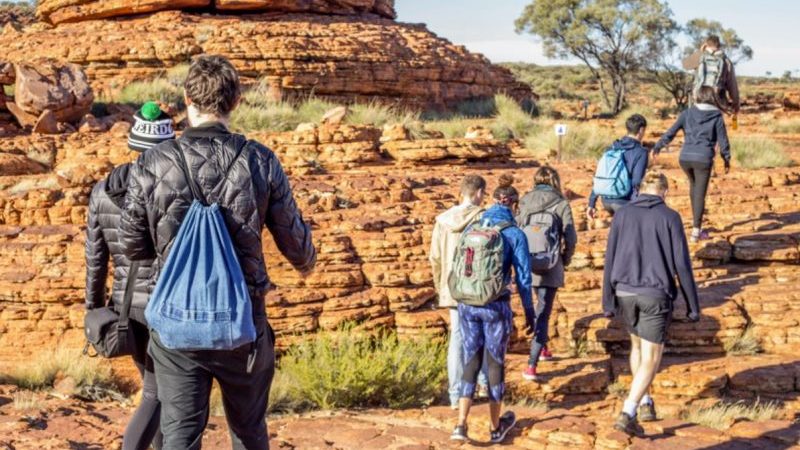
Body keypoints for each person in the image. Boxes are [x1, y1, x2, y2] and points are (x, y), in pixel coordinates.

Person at [119, 55, 316, 450]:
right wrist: (307, 263)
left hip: (175, 323)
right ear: (236, 101)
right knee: (248, 433)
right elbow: (296, 246)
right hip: (243, 321)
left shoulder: (152, 163)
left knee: (179, 436)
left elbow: (133, 245)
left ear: (187, 98)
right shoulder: (260, 159)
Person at [85, 101, 174, 450]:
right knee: (158, 394)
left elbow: (95, 256)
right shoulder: (172, 189)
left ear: (134, 144)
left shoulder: (102, 190)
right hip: (164, 307)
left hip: (125, 308)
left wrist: (93, 306)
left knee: (157, 391)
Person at [602, 171, 701, 436]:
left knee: (637, 346)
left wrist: (607, 300)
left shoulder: (622, 214)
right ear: (664, 191)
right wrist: (693, 303)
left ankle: (645, 402)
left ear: (641, 189)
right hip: (654, 293)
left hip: (624, 292)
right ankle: (628, 411)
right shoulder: (669, 217)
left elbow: (610, 255)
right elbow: (682, 263)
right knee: (652, 355)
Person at [451, 174, 534, 444]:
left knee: (471, 359)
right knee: (495, 363)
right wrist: (530, 314)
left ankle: (460, 425)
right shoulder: (514, 233)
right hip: (495, 306)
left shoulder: (473, 225)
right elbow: (523, 279)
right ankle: (495, 427)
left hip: (466, 304)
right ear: (514, 204)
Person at [429, 175, 490, 409]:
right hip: (476, 287)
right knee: (481, 335)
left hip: (452, 288)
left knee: (457, 338)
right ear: (478, 193)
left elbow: (434, 257)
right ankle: (482, 385)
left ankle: (456, 395)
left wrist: (441, 287)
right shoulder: (482, 218)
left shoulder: (443, 220)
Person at [517, 167, 577, 382]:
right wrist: (565, 260)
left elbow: (517, 229)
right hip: (551, 263)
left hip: (527, 262)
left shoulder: (524, 200)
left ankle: (542, 348)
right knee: (544, 310)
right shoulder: (561, 203)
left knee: (534, 306)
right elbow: (570, 237)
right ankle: (532, 364)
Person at [652, 86, 731, 242]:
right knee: (700, 193)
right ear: (711, 97)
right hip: (703, 158)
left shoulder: (687, 113)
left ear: (698, 97)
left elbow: (671, 132)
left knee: (694, 188)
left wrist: (658, 146)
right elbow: (723, 140)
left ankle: (696, 224)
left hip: (685, 158)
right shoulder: (716, 116)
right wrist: (726, 158)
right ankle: (696, 232)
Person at [587, 114, 649, 219]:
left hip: (606, 200)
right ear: (641, 130)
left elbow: (601, 176)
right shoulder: (641, 152)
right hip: (624, 201)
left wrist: (591, 203)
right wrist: (636, 205)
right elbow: (637, 182)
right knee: (632, 232)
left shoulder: (612, 148)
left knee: (619, 230)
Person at [682, 35, 740, 115]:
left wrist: (700, 51)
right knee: (716, 123)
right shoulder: (726, 61)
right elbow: (732, 85)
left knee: (698, 122)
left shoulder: (700, 57)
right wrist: (736, 103)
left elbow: (686, 65)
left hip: (699, 98)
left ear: (706, 44)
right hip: (718, 100)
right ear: (719, 45)